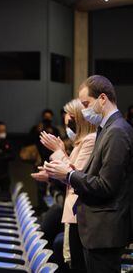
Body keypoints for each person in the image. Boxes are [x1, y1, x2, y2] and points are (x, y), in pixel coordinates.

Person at [44, 75, 133, 273]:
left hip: (105, 230)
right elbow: (93, 175)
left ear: (103, 98)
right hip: (97, 229)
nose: (84, 111)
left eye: (86, 103)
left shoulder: (117, 131)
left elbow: (106, 185)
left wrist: (68, 175)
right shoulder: (108, 129)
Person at [33, 99, 96, 272]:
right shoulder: (79, 144)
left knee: (75, 264)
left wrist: (58, 152)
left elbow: (76, 176)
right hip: (72, 212)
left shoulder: (89, 141)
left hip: (78, 213)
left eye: (71, 119)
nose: (68, 123)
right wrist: (52, 175)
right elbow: (70, 173)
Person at [29, 109, 60, 213]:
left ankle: (51, 210)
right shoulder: (36, 128)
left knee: (53, 186)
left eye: (49, 117)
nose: (47, 119)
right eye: (45, 117)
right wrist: (37, 131)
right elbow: (29, 141)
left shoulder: (54, 129)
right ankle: (41, 208)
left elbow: (58, 143)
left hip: (52, 161)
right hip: (39, 160)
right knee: (40, 187)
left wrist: (52, 133)